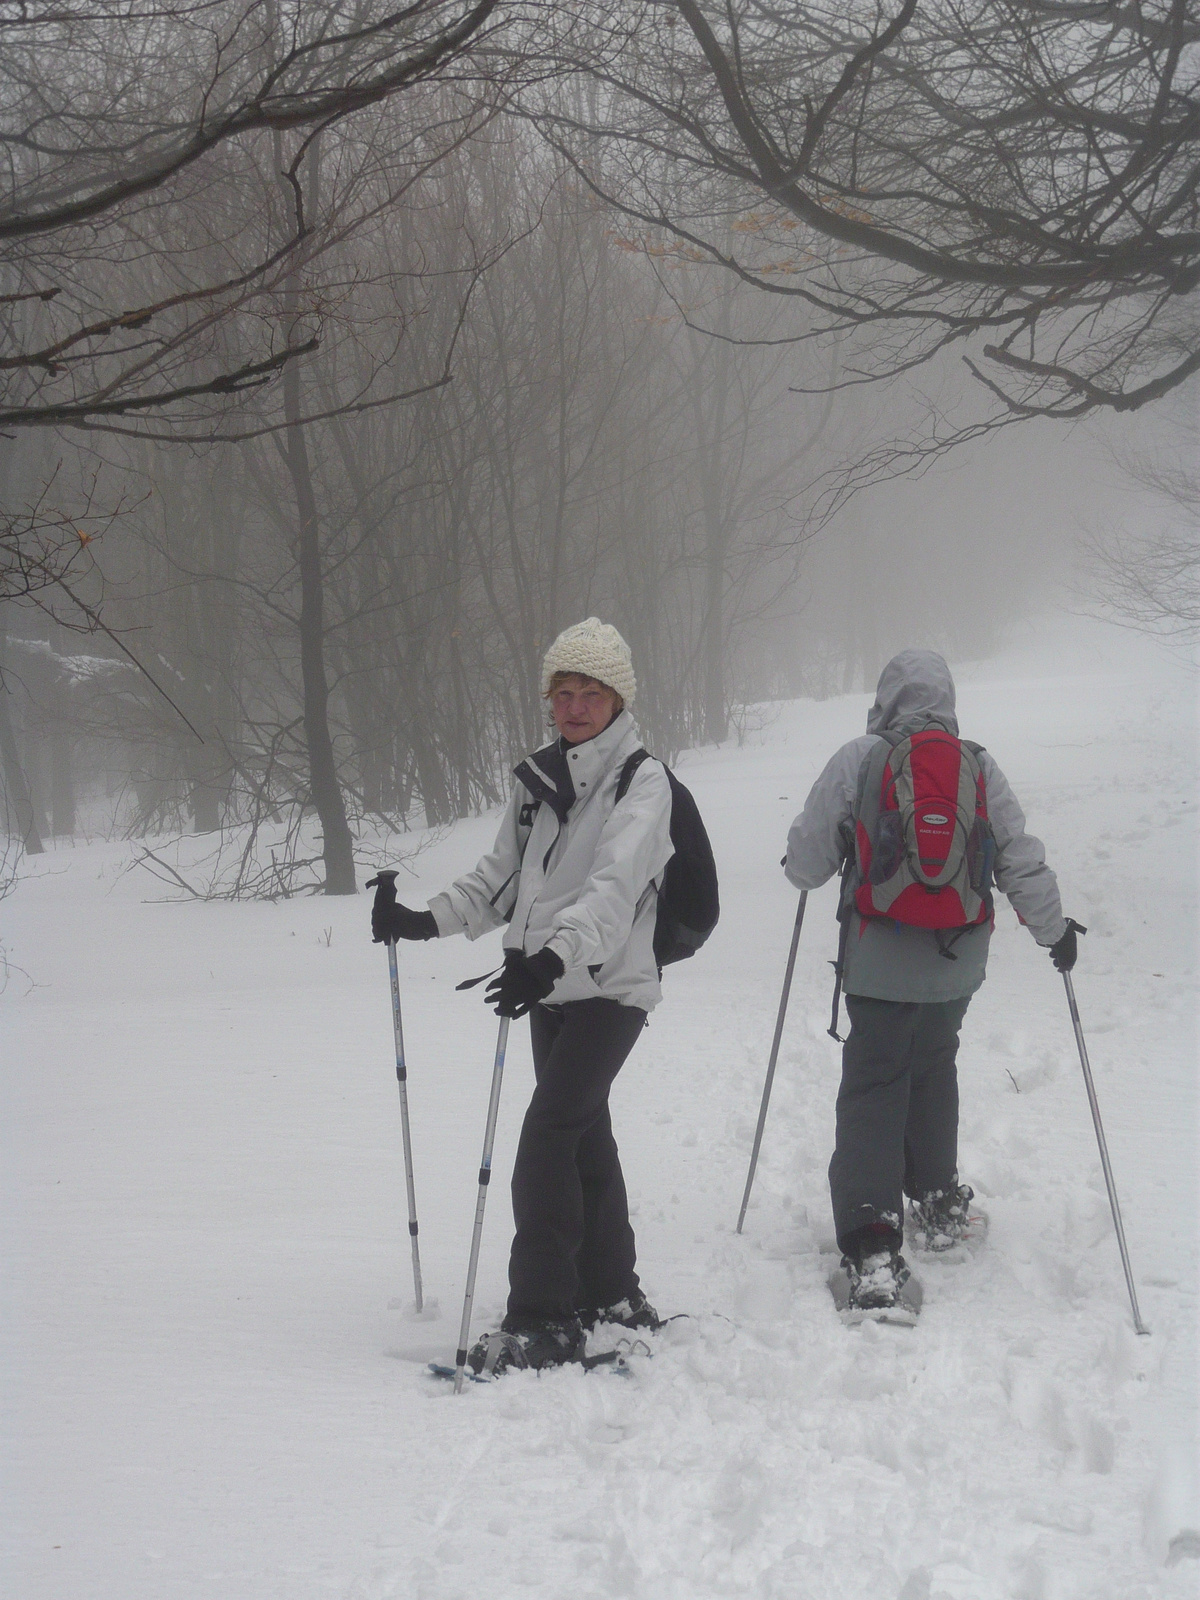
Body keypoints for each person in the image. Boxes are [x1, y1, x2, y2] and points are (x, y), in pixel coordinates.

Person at [369, 619, 674, 1375]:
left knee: (547, 1134)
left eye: (590, 693)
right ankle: (611, 1291)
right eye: (562, 693)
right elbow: (498, 880)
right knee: (582, 1136)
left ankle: (543, 1316)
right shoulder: (539, 785)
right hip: (547, 987)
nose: (573, 707)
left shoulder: (642, 782)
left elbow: (612, 893)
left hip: (610, 989)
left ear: (617, 699)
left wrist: (551, 959)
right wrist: (423, 921)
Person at [784, 649, 1083, 1317]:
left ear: (886, 698)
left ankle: (871, 1245)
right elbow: (1018, 854)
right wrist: (1054, 930)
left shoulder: (859, 757)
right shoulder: (976, 762)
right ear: (948, 701)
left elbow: (806, 865)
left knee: (876, 1081)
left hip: (879, 958)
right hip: (957, 961)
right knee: (934, 1062)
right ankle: (938, 1200)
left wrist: (806, 859)